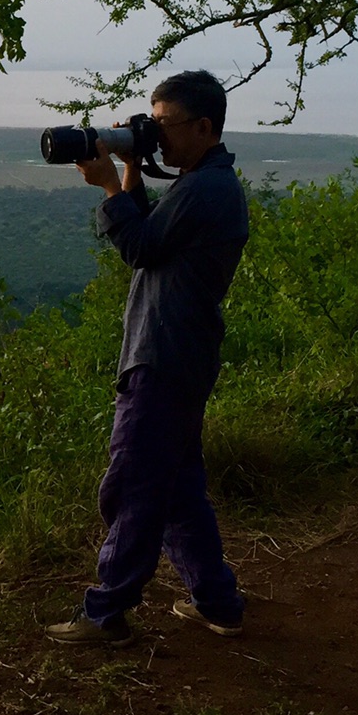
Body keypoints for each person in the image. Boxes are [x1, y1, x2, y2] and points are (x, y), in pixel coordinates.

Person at [46, 69, 250, 647]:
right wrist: (133, 160)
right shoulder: (205, 183)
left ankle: (107, 614)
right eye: (151, 124)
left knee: (132, 485)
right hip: (178, 351)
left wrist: (112, 186)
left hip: (164, 355)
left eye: (165, 125)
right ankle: (218, 603)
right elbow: (152, 239)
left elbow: (138, 247)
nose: (157, 134)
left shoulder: (204, 190)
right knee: (179, 488)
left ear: (204, 126)